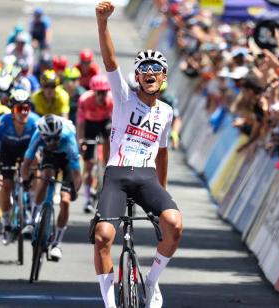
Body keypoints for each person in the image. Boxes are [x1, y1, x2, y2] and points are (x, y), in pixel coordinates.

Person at [95, 3, 183, 308]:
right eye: (144, 69)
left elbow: (162, 153)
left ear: (163, 77)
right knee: (103, 237)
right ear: (137, 75)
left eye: (155, 69)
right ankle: (110, 303)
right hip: (117, 174)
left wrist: (164, 189)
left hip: (146, 177)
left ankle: (151, 281)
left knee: (175, 224)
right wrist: (102, 22)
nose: (149, 73)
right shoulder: (123, 97)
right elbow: (108, 59)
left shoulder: (167, 112)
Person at [21, 114, 81, 260]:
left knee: (65, 201)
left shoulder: (68, 138)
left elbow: (77, 173)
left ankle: (56, 244)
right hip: (49, 156)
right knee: (46, 176)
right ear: (42, 135)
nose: (53, 141)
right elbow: (26, 162)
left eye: (55, 138)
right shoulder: (38, 136)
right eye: (48, 139)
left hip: (66, 159)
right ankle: (32, 220)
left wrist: (75, 189)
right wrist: (25, 180)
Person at [0, 89, 40, 244]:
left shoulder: (35, 122)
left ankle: (32, 210)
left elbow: (42, 145)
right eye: (19, 109)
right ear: (12, 111)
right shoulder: (2, 123)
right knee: (6, 186)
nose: (23, 112)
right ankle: (6, 223)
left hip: (27, 150)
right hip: (8, 151)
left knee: (36, 168)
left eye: (26, 108)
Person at [76, 74, 113, 213]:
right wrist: (81, 140)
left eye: (104, 93)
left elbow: (116, 123)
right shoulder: (84, 100)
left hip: (105, 123)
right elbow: (80, 123)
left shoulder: (111, 100)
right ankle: (87, 198)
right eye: (99, 93)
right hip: (89, 125)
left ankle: (105, 167)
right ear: (93, 92)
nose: (101, 96)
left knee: (109, 141)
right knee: (89, 163)